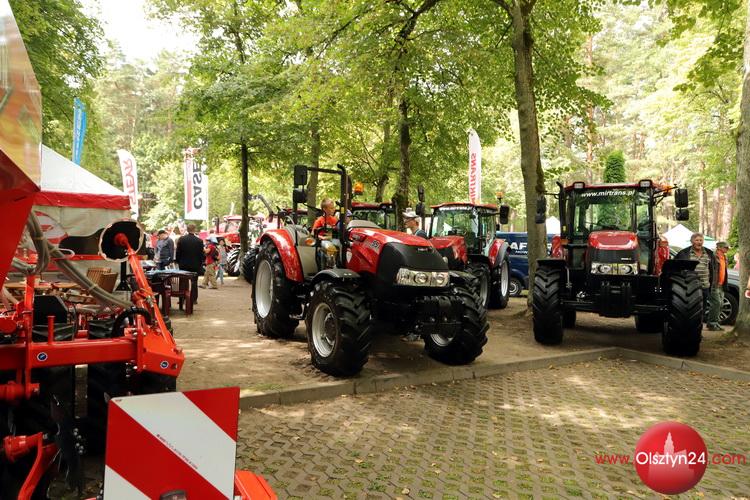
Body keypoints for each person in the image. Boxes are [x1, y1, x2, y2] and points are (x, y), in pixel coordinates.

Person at [675, 233, 716, 329]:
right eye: (697, 240)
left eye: (701, 240)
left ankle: (698, 330)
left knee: (702, 309)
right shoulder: (684, 253)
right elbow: (677, 268)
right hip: (689, 286)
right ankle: (687, 329)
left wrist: (713, 283)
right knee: (689, 309)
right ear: (692, 241)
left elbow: (713, 269)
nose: (699, 242)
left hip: (704, 286)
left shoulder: (709, 253)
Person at [176, 223, 205, 304]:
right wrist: (200, 263)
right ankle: (193, 299)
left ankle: (182, 298)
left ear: (187, 229)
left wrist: (178, 261)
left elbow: (178, 252)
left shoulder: (181, 239)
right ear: (194, 229)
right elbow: (201, 254)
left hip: (183, 264)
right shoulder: (199, 241)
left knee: (183, 282)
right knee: (194, 282)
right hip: (195, 265)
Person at [706, 242, 730, 330]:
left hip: (721, 285)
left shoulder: (724, 257)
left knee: (720, 304)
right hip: (714, 284)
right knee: (716, 303)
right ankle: (712, 324)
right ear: (719, 248)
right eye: (725, 247)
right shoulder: (713, 257)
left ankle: (715, 323)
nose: (727, 249)